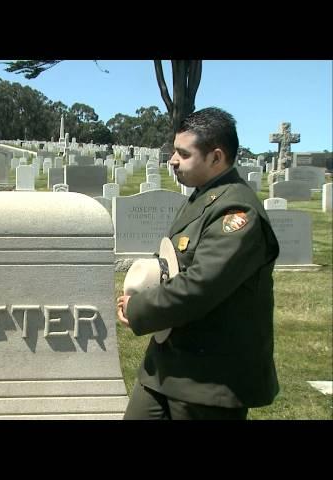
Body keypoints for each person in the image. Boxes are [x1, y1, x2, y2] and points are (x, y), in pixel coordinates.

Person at [117, 107, 280, 420]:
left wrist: (138, 309)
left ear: (215, 157)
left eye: (183, 153)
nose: (173, 160)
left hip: (210, 376)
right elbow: (174, 261)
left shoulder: (237, 211)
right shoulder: (204, 197)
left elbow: (201, 285)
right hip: (166, 365)